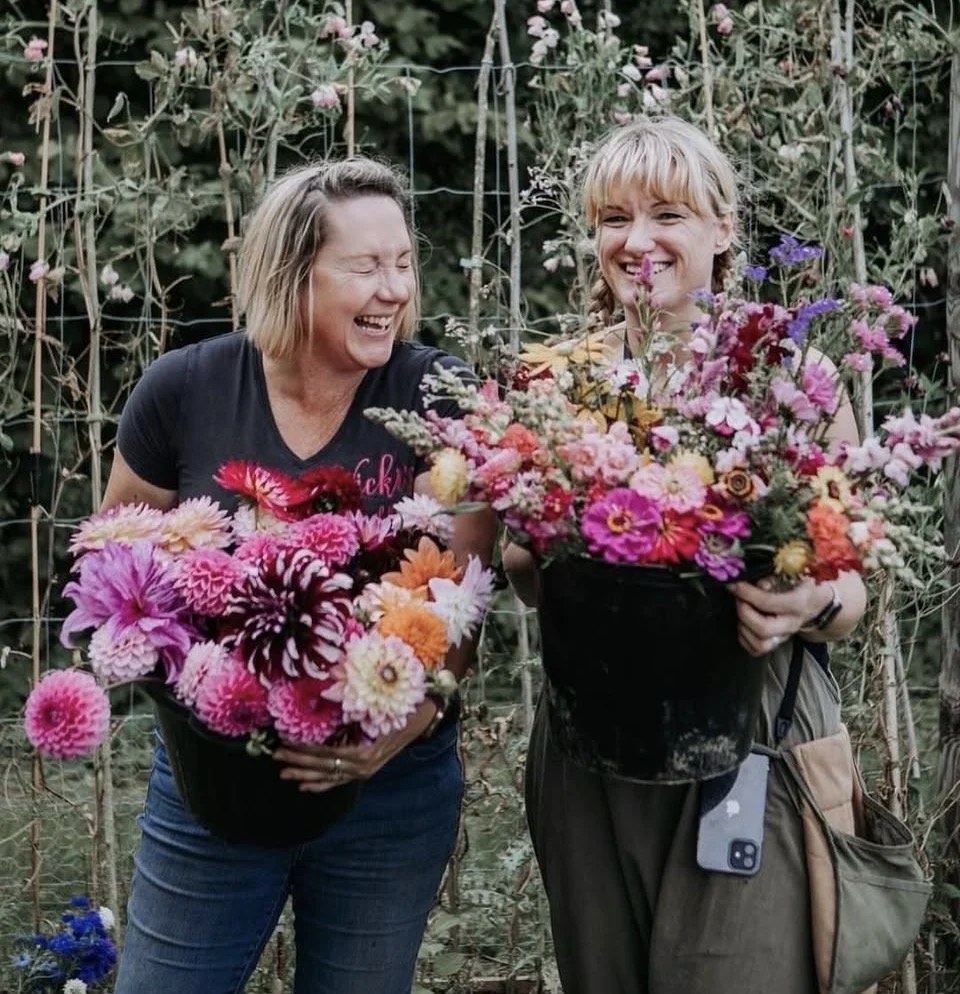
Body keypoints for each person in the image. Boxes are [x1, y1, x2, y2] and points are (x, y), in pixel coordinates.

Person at [105, 156, 496, 994]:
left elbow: (462, 601)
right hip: (213, 784)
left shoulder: (440, 396)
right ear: (292, 274)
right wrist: (194, 688)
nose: (394, 289)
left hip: (387, 790)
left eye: (403, 263)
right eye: (365, 266)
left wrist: (403, 725)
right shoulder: (185, 389)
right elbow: (115, 562)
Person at [503, 117, 869, 994]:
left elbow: (852, 589)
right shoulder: (557, 383)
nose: (638, 242)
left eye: (667, 215)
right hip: (593, 737)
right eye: (613, 219)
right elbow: (522, 574)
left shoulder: (794, 380)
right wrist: (544, 538)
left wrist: (803, 605)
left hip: (755, 727)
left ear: (722, 228)